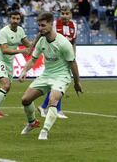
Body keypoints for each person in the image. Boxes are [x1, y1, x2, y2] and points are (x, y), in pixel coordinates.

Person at [19, 12, 82, 140]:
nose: (40, 28)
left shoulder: (63, 43)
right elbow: (33, 59)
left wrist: (76, 83)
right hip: (46, 75)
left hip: (61, 76)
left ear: (51, 24)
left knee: (53, 101)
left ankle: (44, 131)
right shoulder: (42, 41)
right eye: (39, 26)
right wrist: (24, 71)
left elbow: (73, 63)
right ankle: (32, 123)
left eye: (43, 25)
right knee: (25, 100)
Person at [0, 10, 34, 118]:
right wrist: (22, 51)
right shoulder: (3, 32)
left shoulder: (20, 30)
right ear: (9, 19)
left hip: (9, 63)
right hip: (0, 61)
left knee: (7, 87)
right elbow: (4, 50)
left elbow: (28, 44)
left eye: (17, 19)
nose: (15, 20)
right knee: (6, 84)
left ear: (20, 20)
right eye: (13, 18)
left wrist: (36, 43)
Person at [37, 6, 77, 119]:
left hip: (66, 57)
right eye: (63, 13)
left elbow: (74, 41)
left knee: (59, 83)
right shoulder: (54, 24)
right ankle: (55, 109)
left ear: (70, 15)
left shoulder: (74, 25)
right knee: (59, 82)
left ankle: (46, 107)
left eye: (67, 13)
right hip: (54, 57)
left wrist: (73, 56)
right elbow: (43, 35)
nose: (65, 15)